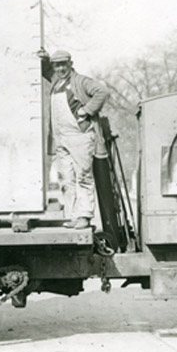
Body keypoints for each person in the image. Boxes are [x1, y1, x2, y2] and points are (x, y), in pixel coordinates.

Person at [40, 49, 109, 229]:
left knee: (83, 176)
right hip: (61, 137)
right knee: (66, 178)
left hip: (79, 135)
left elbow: (102, 91)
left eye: (63, 64)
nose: (60, 69)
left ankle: (84, 216)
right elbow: (46, 70)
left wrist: (87, 110)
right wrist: (45, 58)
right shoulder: (56, 82)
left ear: (70, 64)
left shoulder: (80, 81)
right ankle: (72, 216)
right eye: (57, 65)